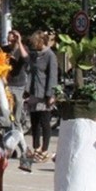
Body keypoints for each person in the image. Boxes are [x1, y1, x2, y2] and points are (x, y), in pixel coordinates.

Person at [25, 30, 58, 162]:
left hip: (44, 93)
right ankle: (36, 148)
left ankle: (44, 150)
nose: (34, 46)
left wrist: (51, 94)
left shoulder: (50, 55)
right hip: (33, 92)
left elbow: (53, 76)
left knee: (45, 123)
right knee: (34, 122)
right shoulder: (34, 55)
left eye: (36, 43)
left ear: (41, 42)